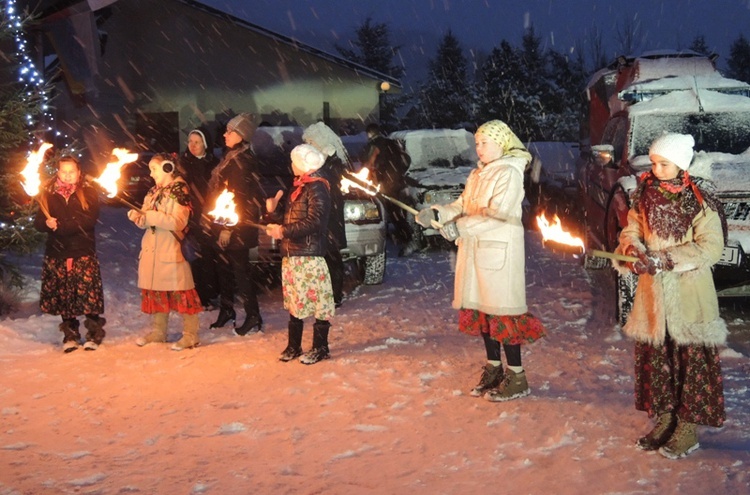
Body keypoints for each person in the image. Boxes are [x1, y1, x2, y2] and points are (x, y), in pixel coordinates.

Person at [613, 133, 727, 459]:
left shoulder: (699, 201)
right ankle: (665, 419)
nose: (657, 168)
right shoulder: (643, 197)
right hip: (654, 298)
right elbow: (631, 230)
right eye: (654, 163)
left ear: (681, 164)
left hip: (689, 295)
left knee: (689, 364)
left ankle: (687, 428)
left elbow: (710, 247)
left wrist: (666, 259)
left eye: (664, 163)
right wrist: (632, 249)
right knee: (659, 360)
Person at [415, 119, 546, 401]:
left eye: (484, 142)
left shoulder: (509, 173)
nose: (479, 148)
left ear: (501, 143)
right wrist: (438, 213)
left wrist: (459, 228)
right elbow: (463, 205)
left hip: (499, 252)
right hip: (475, 250)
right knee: (484, 312)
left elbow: (497, 214)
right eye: (477, 143)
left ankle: (517, 376)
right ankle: (494, 368)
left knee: (504, 313)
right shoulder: (478, 174)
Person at [265, 144, 335, 365]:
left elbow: (315, 221)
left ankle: (321, 347)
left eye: (294, 161)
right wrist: (273, 210)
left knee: (318, 301)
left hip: (309, 255)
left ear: (304, 164)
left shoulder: (317, 188)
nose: (291, 165)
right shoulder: (300, 187)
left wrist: (283, 231)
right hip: (293, 254)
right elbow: (294, 217)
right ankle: (294, 346)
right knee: (296, 300)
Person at [127, 153, 202, 350]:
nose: (151, 174)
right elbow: (147, 215)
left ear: (168, 168)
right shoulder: (153, 191)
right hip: (152, 250)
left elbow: (178, 222)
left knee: (182, 292)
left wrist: (151, 216)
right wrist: (139, 217)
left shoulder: (179, 190)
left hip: (171, 249)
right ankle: (159, 332)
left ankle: (190, 335)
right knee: (157, 291)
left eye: (154, 169)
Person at [33, 155, 106, 352]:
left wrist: (62, 227)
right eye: (63, 171)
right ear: (57, 173)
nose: (67, 175)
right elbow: (38, 222)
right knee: (65, 297)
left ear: (79, 172)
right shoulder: (48, 195)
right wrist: (46, 224)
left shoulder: (89, 193)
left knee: (88, 297)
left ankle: (94, 333)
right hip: (58, 253)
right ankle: (70, 335)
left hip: (82, 251)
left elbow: (88, 220)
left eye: (71, 171)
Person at [204, 113, 264, 335]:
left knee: (240, 272)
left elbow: (238, 197)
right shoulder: (232, 156)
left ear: (241, 136)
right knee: (224, 270)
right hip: (225, 223)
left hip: (237, 226)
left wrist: (228, 228)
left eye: (230, 132)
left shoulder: (241, 161)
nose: (225, 134)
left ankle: (253, 315)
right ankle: (227, 310)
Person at [302, 122, 351, 307]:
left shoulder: (330, 162)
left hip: (329, 216)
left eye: (310, 141)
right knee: (324, 256)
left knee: (331, 256)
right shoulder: (320, 162)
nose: (308, 145)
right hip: (323, 215)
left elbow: (330, 188)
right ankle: (326, 292)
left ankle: (334, 294)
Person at [362, 123, 420, 256]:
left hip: (383, 184)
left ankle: (405, 239)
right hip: (396, 182)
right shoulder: (392, 143)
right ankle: (404, 237)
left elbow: (368, 163)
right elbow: (406, 160)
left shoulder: (374, 145)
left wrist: (377, 177)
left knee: (385, 211)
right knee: (396, 212)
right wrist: (397, 174)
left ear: (369, 134)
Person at [179, 128, 220, 309]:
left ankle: (209, 294)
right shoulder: (183, 164)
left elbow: (217, 190)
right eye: (190, 142)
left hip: (209, 216)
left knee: (209, 257)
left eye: (197, 142)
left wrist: (209, 212)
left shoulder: (214, 164)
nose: (193, 146)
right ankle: (196, 295)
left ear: (205, 144)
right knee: (192, 257)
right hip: (190, 217)